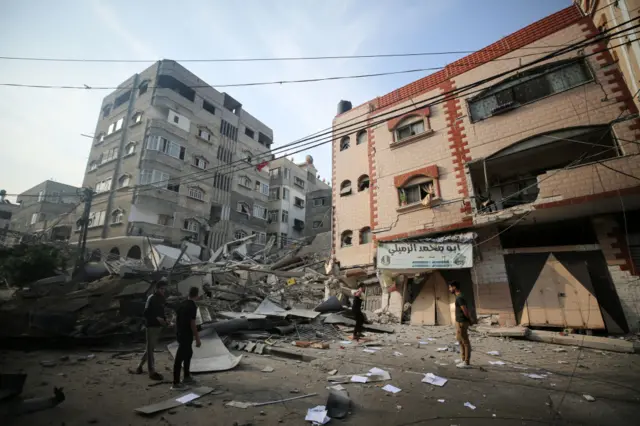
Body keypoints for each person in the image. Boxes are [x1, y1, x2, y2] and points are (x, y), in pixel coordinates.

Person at [134, 278, 168, 380]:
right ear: (156, 289)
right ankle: (151, 372)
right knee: (150, 349)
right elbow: (146, 313)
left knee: (150, 348)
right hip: (151, 326)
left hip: (158, 326)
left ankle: (139, 366)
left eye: (164, 289)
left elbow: (162, 312)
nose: (163, 291)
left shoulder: (162, 298)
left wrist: (166, 321)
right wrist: (157, 318)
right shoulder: (151, 298)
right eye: (161, 289)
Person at [171, 286, 202, 390]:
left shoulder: (182, 304)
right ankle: (175, 383)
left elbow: (176, 319)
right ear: (197, 295)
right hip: (186, 334)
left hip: (180, 333)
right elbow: (192, 323)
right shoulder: (192, 306)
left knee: (188, 353)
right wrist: (197, 338)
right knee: (179, 358)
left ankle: (187, 376)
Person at [449, 280, 472, 368]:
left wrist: (469, 320)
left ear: (454, 287)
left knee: (465, 342)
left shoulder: (459, 298)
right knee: (460, 340)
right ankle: (463, 358)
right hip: (459, 322)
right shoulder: (458, 296)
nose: (449, 289)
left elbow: (465, 310)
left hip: (462, 322)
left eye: (450, 287)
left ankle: (466, 362)